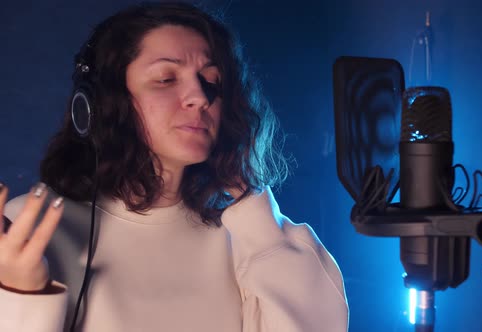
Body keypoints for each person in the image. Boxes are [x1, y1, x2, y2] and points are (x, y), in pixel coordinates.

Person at [0, 2, 348, 331]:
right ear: (100, 105)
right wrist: (22, 295)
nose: (200, 97)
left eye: (212, 80)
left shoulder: (249, 234)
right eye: (166, 79)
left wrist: (257, 216)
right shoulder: (26, 236)